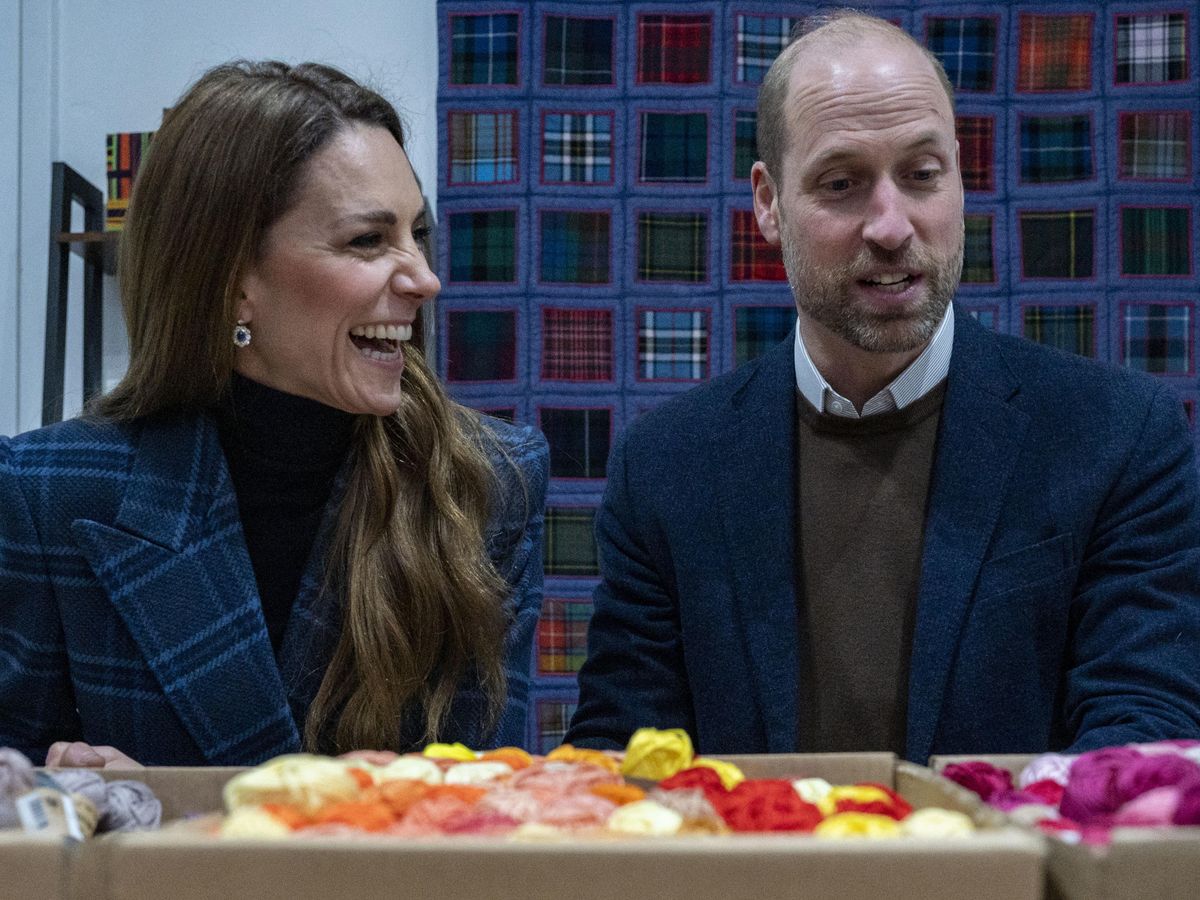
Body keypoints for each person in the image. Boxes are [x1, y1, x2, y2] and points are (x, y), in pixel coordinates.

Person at [566, 11, 1200, 762]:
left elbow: (1144, 742)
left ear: (960, 176)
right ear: (767, 203)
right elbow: (625, 757)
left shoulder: (1120, 438)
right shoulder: (667, 469)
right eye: (842, 183)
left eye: (922, 175)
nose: (892, 225)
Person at [0, 61, 547, 767]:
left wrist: (187, 815)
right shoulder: (48, 493)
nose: (424, 279)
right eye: (367, 241)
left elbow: (489, 803)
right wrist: (82, 802)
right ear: (232, 282)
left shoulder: (488, 480)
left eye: (418, 234)